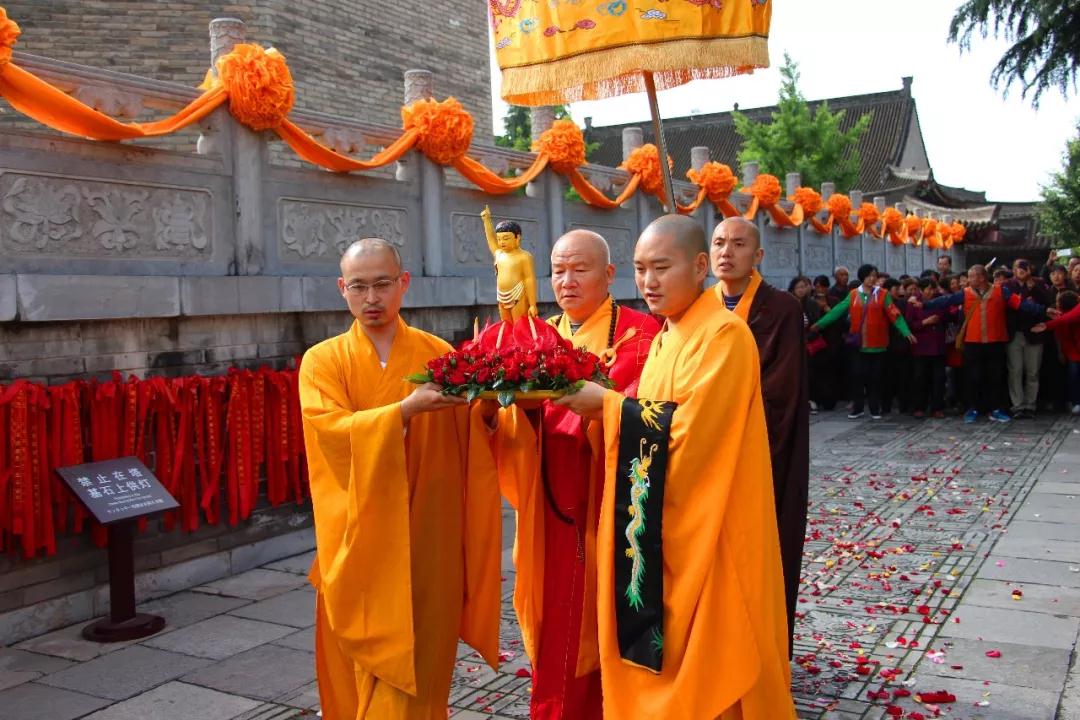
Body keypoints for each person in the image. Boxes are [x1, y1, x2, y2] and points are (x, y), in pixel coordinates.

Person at [556, 214, 796, 720]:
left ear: (700, 266)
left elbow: (693, 437)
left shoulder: (724, 337)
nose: (648, 282)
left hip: (715, 529)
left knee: (716, 662)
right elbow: (657, 423)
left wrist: (609, 407)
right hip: (671, 528)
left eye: (661, 268)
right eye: (641, 269)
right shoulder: (668, 337)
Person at [299, 238, 502, 720]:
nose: (372, 298)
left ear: (403, 284)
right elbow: (329, 433)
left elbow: (470, 434)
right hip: (360, 539)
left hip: (428, 536)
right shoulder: (323, 361)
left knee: (424, 663)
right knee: (357, 666)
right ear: (342, 289)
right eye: (359, 287)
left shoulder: (437, 354)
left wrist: (490, 408)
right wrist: (404, 412)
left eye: (383, 285)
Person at [495, 229, 661, 720]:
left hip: (611, 510)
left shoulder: (643, 335)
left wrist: (599, 409)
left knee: (605, 622)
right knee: (555, 624)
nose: (566, 281)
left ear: (609, 275)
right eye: (558, 270)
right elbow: (513, 428)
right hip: (548, 506)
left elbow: (653, 419)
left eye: (579, 269)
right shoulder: (537, 336)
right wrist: (503, 411)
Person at [713, 217, 809, 654]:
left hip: (760, 451)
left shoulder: (782, 309)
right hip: (704, 455)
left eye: (737, 243)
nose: (726, 252)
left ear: (758, 256)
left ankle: (762, 646)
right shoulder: (699, 306)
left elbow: (781, 392)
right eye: (717, 242)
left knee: (761, 551)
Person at [918, 264, 1053, 423]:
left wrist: (1044, 311)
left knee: (995, 378)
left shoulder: (1001, 291)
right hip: (972, 342)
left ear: (982, 277)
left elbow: (1021, 304)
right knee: (973, 377)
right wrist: (925, 305)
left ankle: (995, 409)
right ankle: (973, 408)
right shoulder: (965, 293)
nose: (968, 280)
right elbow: (946, 300)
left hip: (995, 341)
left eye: (972, 276)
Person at [811, 264, 915, 420]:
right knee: (857, 377)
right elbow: (837, 311)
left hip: (878, 345)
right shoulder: (853, 294)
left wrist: (905, 331)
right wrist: (820, 324)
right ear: (862, 277)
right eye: (869, 276)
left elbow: (895, 314)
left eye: (874, 275)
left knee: (875, 378)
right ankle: (857, 408)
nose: (872, 278)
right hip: (858, 345)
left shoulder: (883, 294)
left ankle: (874, 409)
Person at [1004, 259, 1052, 418]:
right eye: (1019, 267)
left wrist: (1034, 288)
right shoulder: (1008, 285)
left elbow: (1048, 305)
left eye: (1025, 268)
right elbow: (1009, 305)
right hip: (1015, 333)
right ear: (1013, 269)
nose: (1022, 270)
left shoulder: (1039, 283)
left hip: (1034, 332)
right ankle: (1018, 405)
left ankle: (1030, 404)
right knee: (1015, 370)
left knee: (1033, 371)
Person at [905, 278, 947, 418]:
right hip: (921, 346)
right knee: (920, 377)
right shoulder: (913, 302)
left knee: (939, 378)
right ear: (921, 290)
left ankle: (937, 407)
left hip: (938, 345)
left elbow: (945, 315)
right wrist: (925, 322)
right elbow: (909, 324)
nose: (930, 292)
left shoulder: (939, 300)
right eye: (928, 289)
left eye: (932, 289)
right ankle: (919, 407)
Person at [1033, 291, 1080, 414]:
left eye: (1058, 302)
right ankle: (1075, 402)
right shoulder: (1059, 316)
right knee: (1073, 377)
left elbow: (1069, 318)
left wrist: (1047, 325)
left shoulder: (1068, 315)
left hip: (1073, 351)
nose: (1056, 304)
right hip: (1071, 352)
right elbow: (1060, 335)